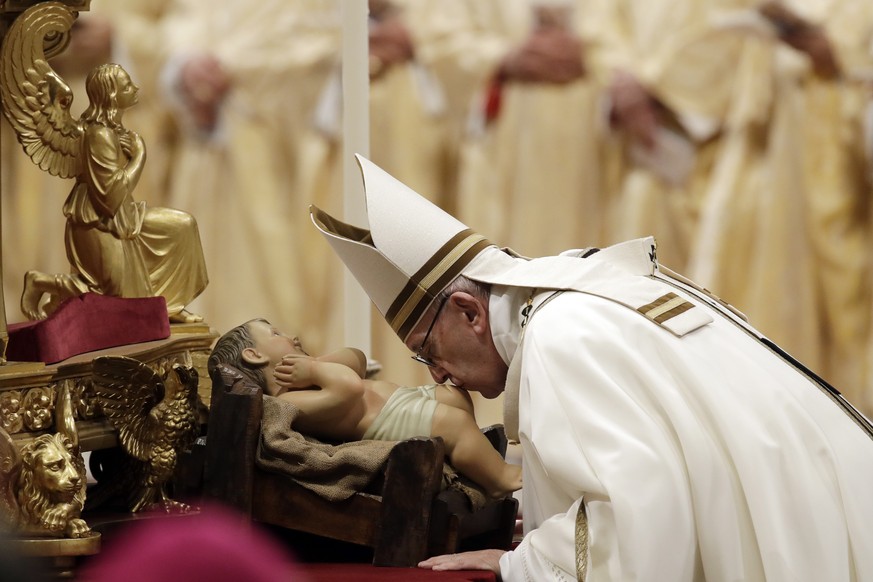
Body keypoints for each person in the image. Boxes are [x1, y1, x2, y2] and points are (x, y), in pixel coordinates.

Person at [311, 155, 873, 580]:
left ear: (468, 312)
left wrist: (520, 564)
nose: (435, 376)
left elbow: (640, 514)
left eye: (427, 350)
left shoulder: (561, 335)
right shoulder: (579, 295)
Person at [207, 318, 522, 499]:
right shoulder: (289, 402)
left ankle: (478, 467)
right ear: (254, 355)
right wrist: (316, 372)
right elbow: (350, 387)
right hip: (390, 422)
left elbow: (356, 359)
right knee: (453, 426)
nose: (291, 336)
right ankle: (498, 479)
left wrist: (315, 364)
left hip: (406, 400)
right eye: (275, 334)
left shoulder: (310, 372)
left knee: (455, 398)